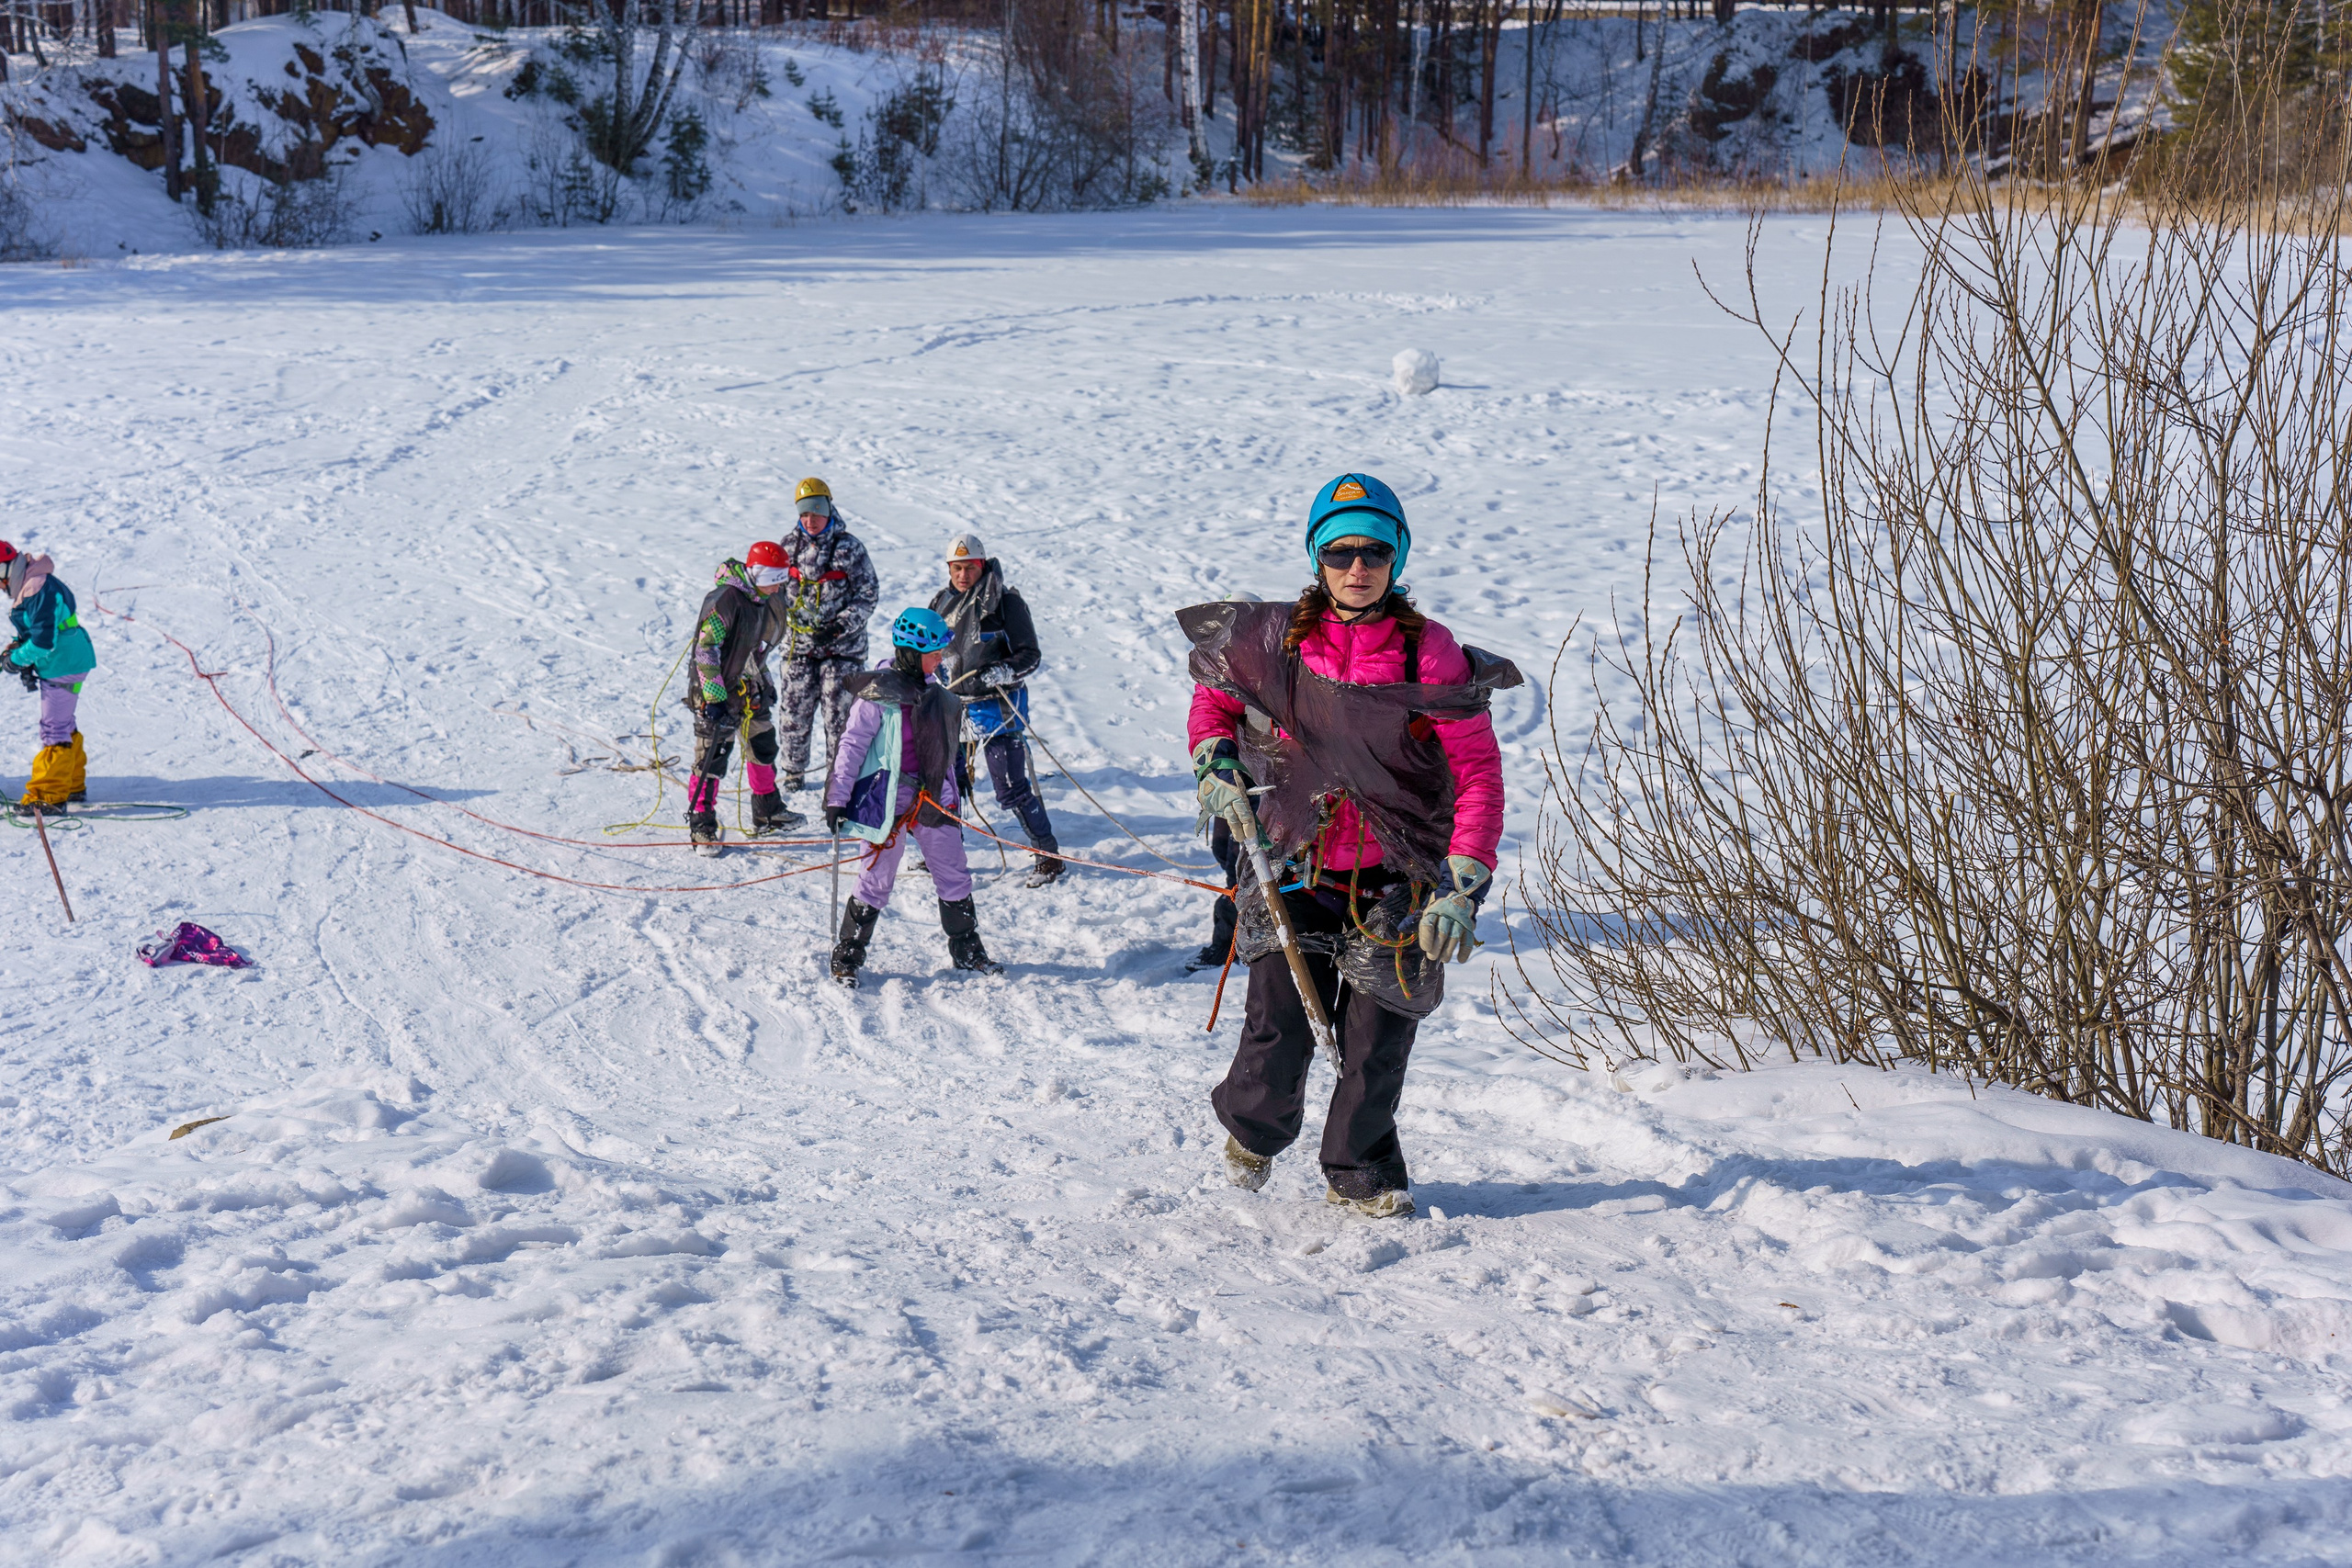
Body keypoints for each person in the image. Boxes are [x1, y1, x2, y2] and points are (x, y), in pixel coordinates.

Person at [1181, 473, 1513, 1219]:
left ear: (1396, 558)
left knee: (1377, 1039)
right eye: (1338, 551)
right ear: (1316, 556)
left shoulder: (1427, 652)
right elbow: (1216, 696)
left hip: (1399, 874)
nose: (1356, 566)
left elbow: (1476, 769)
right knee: (1279, 1024)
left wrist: (1466, 878)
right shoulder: (1274, 639)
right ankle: (1254, 1131)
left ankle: (1361, 1168)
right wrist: (1214, 759)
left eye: (1373, 550)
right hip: (1295, 860)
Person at [822, 607, 1004, 988]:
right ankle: (848, 956)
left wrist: (957, 778)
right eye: (934, 652)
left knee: (954, 873)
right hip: (886, 799)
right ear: (910, 651)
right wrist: (837, 797)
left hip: (934, 798)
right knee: (876, 878)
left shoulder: (938, 694)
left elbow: (949, 744)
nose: (941, 658)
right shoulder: (878, 696)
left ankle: (968, 951)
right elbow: (852, 745)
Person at [929, 532, 1062, 889]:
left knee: (1011, 788)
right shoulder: (939, 602)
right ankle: (944, 854)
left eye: (969, 567)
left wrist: (1002, 670)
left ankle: (1048, 855)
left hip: (998, 709)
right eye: (956, 568)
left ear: (982, 566)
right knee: (947, 785)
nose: (962, 575)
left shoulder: (1006, 603)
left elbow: (1029, 654)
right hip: (951, 707)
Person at [685, 540, 801, 854]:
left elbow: (755, 651)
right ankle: (702, 824)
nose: (780, 587)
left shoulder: (764, 599)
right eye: (776, 580)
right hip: (717, 693)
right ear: (761, 574)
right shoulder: (725, 600)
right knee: (712, 756)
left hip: (749, 690)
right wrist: (714, 697)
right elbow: (706, 650)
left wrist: (763, 681)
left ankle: (767, 811)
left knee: (762, 747)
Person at [774, 477, 880, 813]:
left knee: (841, 718)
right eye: (805, 513)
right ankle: (793, 770)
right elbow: (772, 593)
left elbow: (868, 595)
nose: (811, 519)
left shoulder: (850, 548)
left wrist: (838, 627)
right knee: (794, 712)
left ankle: (842, 776)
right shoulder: (787, 548)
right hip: (798, 649)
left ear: (829, 508)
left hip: (842, 650)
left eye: (817, 511)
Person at [1185, 591, 1262, 972]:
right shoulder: (1217, 671)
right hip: (1231, 777)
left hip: (1274, 787)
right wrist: (1214, 762)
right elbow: (1206, 714)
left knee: (1245, 864)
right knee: (1224, 853)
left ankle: (1235, 942)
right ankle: (1238, 935)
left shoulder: (1280, 667)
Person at [3, 543, 96, 810]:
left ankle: (48, 796)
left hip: (63, 663)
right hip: (65, 659)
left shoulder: (37, 588)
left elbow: (43, 643)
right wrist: (15, 652)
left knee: (54, 728)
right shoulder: (33, 582)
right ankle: (71, 784)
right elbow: (38, 632)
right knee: (63, 723)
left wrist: (15, 661)